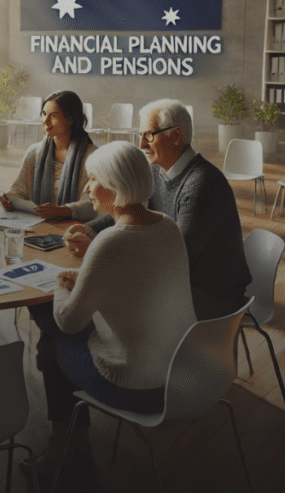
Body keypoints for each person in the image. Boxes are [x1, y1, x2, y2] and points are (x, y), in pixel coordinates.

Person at [25, 141, 197, 480]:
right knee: (54, 335)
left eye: (93, 179)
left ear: (115, 184)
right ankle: (71, 446)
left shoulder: (111, 241)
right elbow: (136, 281)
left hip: (134, 385)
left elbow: (70, 322)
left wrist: (62, 282)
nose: (88, 187)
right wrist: (89, 275)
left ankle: (63, 451)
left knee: (51, 331)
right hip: (179, 376)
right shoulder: (167, 227)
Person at [64, 99, 252, 321]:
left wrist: (100, 251)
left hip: (210, 298)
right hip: (178, 284)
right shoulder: (157, 171)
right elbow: (131, 210)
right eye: (140, 135)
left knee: (97, 305)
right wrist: (89, 230)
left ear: (176, 136)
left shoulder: (202, 184)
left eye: (149, 135)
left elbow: (174, 258)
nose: (142, 144)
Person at [0, 90, 97, 221]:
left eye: (54, 116)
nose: (45, 121)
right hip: (37, 224)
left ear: (70, 119)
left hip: (74, 229)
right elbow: (18, 190)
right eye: (44, 114)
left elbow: (92, 203)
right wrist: (9, 200)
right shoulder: (34, 152)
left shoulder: (92, 156)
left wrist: (60, 211)